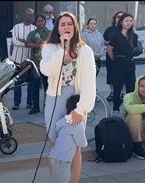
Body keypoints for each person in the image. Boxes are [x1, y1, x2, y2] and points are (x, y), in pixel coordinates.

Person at [40, 11, 96, 183]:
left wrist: (82, 109)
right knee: (54, 140)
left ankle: (73, 181)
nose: (66, 27)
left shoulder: (85, 50)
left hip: (75, 100)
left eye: (69, 24)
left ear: (75, 27)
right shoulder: (50, 48)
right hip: (54, 98)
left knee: (73, 143)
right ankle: (57, 178)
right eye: (62, 24)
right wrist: (62, 52)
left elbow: (89, 82)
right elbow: (47, 70)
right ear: (57, 29)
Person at [49, 95, 88, 182]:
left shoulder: (64, 119)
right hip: (64, 158)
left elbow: (58, 125)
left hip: (55, 155)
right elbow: (81, 142)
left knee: (57, 178)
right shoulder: (77, 123)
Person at [107, 13, 139, 117]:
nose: (129, 23)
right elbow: (110, 50)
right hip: (118, 64)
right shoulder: (115, 35)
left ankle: (129, 109)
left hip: (129, 64)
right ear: (121, 22)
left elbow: (134, 49)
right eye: (126, 21)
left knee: (131, 88)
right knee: (117, 88)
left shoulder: (134, 36)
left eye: (130, 20)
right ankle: (116, 109)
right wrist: (116, 60)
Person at [10, 8, 36, 111]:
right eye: (26, 15)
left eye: (30, 15)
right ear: (23, 15)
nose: (28, 17)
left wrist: (24, 42)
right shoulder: (16, 27)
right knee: (17, 83)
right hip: (17, 59)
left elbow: (35, 43)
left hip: (29, 60)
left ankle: (29, 103)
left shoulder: (34, 28)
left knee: (30, 82)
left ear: (32, 17)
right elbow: (14, 42)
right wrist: (27, 43)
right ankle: (16, 103)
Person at [25, 15, 51, 114]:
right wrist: (39, 45)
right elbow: (27, 44)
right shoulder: (32, 33)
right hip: (35, 64)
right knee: (34, 87)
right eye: (38, 21)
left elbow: (54, 44)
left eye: (42, 21)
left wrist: (45, 44)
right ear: (36, 23)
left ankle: (47, 106)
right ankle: (35, 107)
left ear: (45, 21)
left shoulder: (49, 33)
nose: (40, 22)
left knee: (47, 87)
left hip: (47, 63)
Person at [103, 11, 126, 102]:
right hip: (110, 56)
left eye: (122, 17)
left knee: (123, 75)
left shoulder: (127, 29)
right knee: (111, 75)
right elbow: (104, 41)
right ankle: (112, 93)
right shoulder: (109, 29)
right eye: (118, 17)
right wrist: (111, 43)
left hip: (123, 57)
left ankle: (123, 93)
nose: (119, 18)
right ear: (115, 18)